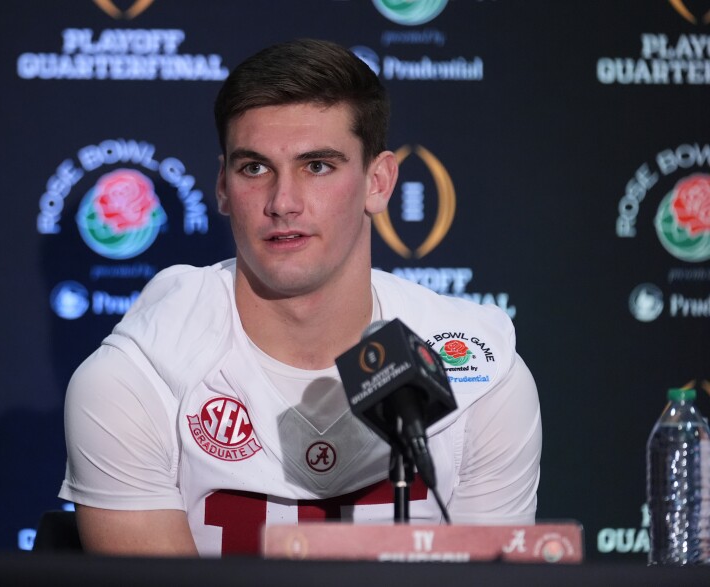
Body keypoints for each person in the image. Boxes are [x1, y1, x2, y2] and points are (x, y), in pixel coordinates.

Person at [58, 38, 541, 557]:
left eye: (317, 166)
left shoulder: (479, 375)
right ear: (222, 187)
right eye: (254, 168)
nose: (282, 203)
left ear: (377, 182)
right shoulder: (136, 378)